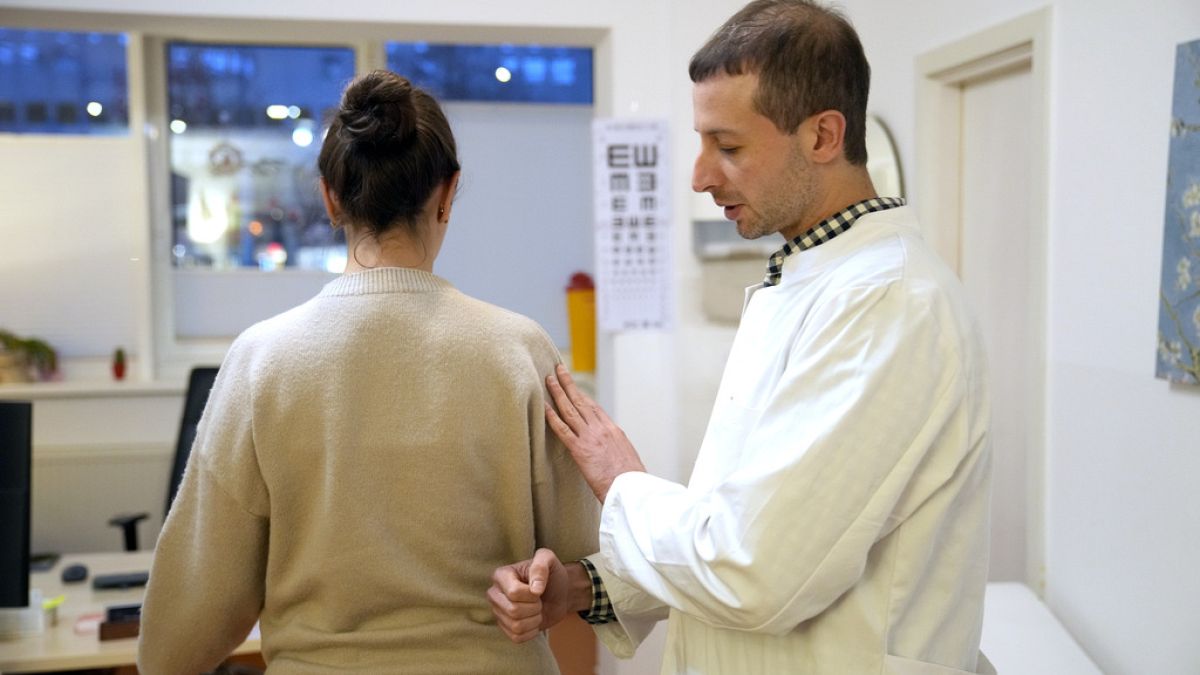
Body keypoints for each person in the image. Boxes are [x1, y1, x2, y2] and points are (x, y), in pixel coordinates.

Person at [488, 1, 994, 673]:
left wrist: (623, 481)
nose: (700, 176)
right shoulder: (812, 278)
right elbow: (741, 524)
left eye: (727, 147)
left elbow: (756, 570)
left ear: (822, 136)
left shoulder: (887, 304)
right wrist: (586, 587)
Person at [138, 70, 598, 674]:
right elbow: (582, 561)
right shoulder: (521, 350)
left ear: (329, 197)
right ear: (448, 193)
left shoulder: (261, 358)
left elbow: (187, 623)